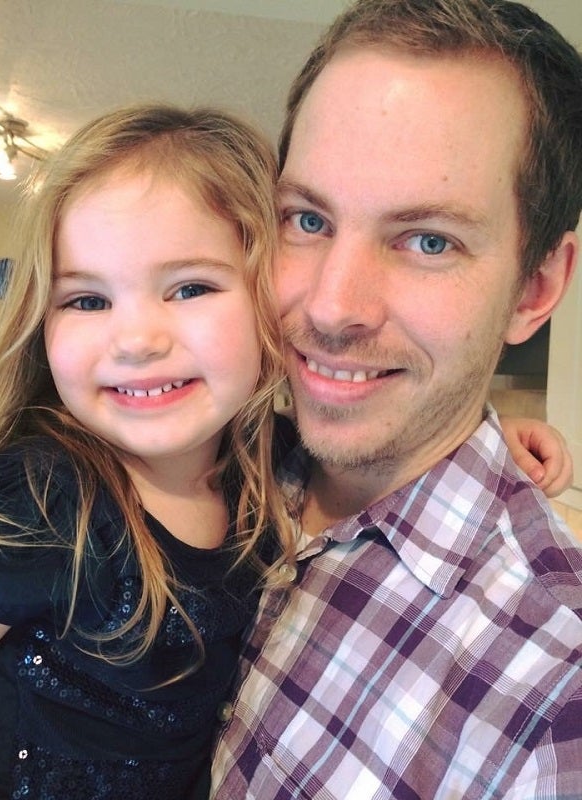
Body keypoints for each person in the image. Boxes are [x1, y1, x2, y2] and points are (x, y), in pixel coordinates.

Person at [211, 1, 582, 797]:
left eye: (428, 241)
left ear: (536, 287)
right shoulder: (203, 453)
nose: (330, 307)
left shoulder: (553, 712)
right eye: (307, 219)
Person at [0, 104, 295, 800]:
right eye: (87, 301)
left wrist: (503, 438)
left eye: (190, 288)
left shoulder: (271, 467)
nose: (135, 340)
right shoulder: (40, 496)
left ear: (273, 301)